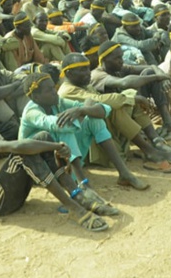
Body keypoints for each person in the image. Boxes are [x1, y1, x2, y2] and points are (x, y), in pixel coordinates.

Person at [0, 89, 112, 231]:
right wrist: (55, 146)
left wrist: (50, 146)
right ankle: (74, 208)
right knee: (22, 153)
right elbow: (14, 148)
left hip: (5, 195)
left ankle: (78, 196)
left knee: (43, 138)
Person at [20, 72, 148, 191]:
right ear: (35, 97)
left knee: (93, 120)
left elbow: (105, 110)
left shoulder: (57, 102)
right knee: (66, 128)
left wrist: (82, 111)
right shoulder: (32, 112)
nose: (55, 92)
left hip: (59, 159)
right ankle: (82, 185)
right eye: (49, 90)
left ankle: (124, 173)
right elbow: (58, 125)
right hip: (39, 167)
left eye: (54, 87)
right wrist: (82, 111)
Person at [58, 52, 171, 170]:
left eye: (88, 69)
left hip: (101, 132)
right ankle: (148, 151)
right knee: (116, 105)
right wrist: (132, 98)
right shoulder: (67, 91)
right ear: (69, 73)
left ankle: (154, 141)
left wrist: (132, 98)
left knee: (128, 98)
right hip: (86, 142)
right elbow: (100, 100)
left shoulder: (84, 85)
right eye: (82, 70)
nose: (87, 73)